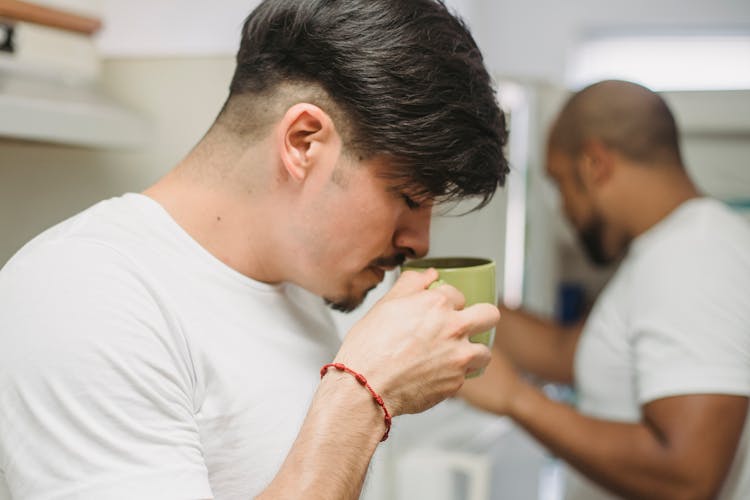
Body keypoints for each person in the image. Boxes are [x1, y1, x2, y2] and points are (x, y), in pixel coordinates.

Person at [0, 1, 510, 498]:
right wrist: (362, 394)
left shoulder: (307, 282)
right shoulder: (80, 297)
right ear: (304, 142)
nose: (419, 243)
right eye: (407, 197)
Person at [459, 79, 750, 500]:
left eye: (560, 184)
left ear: (595, 164)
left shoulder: (692, 256)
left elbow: (687, 476)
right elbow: (572, 353)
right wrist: (454, 302)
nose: (564, 211)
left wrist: (514, 399)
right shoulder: (669, 247)